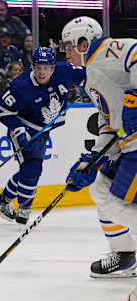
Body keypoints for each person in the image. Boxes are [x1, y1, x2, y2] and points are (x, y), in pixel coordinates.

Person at [61, 17, 137, 282]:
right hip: (129, 145)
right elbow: (109, 123)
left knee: (117, 202)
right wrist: (91, 160)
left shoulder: (105, 50)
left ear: (84, 42)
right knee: (100, 188)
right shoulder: (91, 77)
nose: (66, 52)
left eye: (69, 46)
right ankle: (125, 255)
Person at [0, 46, 86, 225]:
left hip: (43, 130)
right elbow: (2, 110)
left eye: (46, 68)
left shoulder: (65, 71)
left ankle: (2, 200)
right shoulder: (20, 86)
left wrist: (93, 86)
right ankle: (23, 212)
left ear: (53, 68)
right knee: (33, 168)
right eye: (38, 67)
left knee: (28, 170)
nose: (42, 72)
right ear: (32, 66)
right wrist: (18, 130)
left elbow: (89, 74)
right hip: (25, 129)